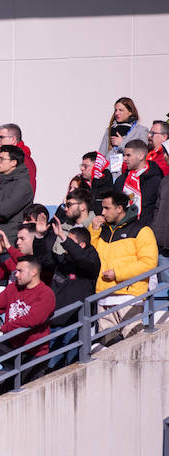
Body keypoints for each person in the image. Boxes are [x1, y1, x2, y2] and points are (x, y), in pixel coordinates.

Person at [89, 191, 160, 335]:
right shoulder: (102, 231)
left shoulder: (142, 231)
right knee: (106, 348)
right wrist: (93, 231)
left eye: (107, 208)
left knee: (132, 342)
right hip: (103, 298)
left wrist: (118, 273)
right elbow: (91, 257)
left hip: (129, 297)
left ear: (120, 208)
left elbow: (148, 263)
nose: (102, 212)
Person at [0, 144, 36, 240]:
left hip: (11, 237)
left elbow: (4, 209)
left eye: (2, 159)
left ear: (13, 162)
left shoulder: (23, 185)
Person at [113, 139, 163, 224]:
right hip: (122, 228)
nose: (124, 159)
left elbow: (160, 209)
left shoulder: (156, 180)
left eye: (128, 155)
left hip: (146, 229)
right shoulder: (120, 180)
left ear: (140, 156)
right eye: (124, 155)